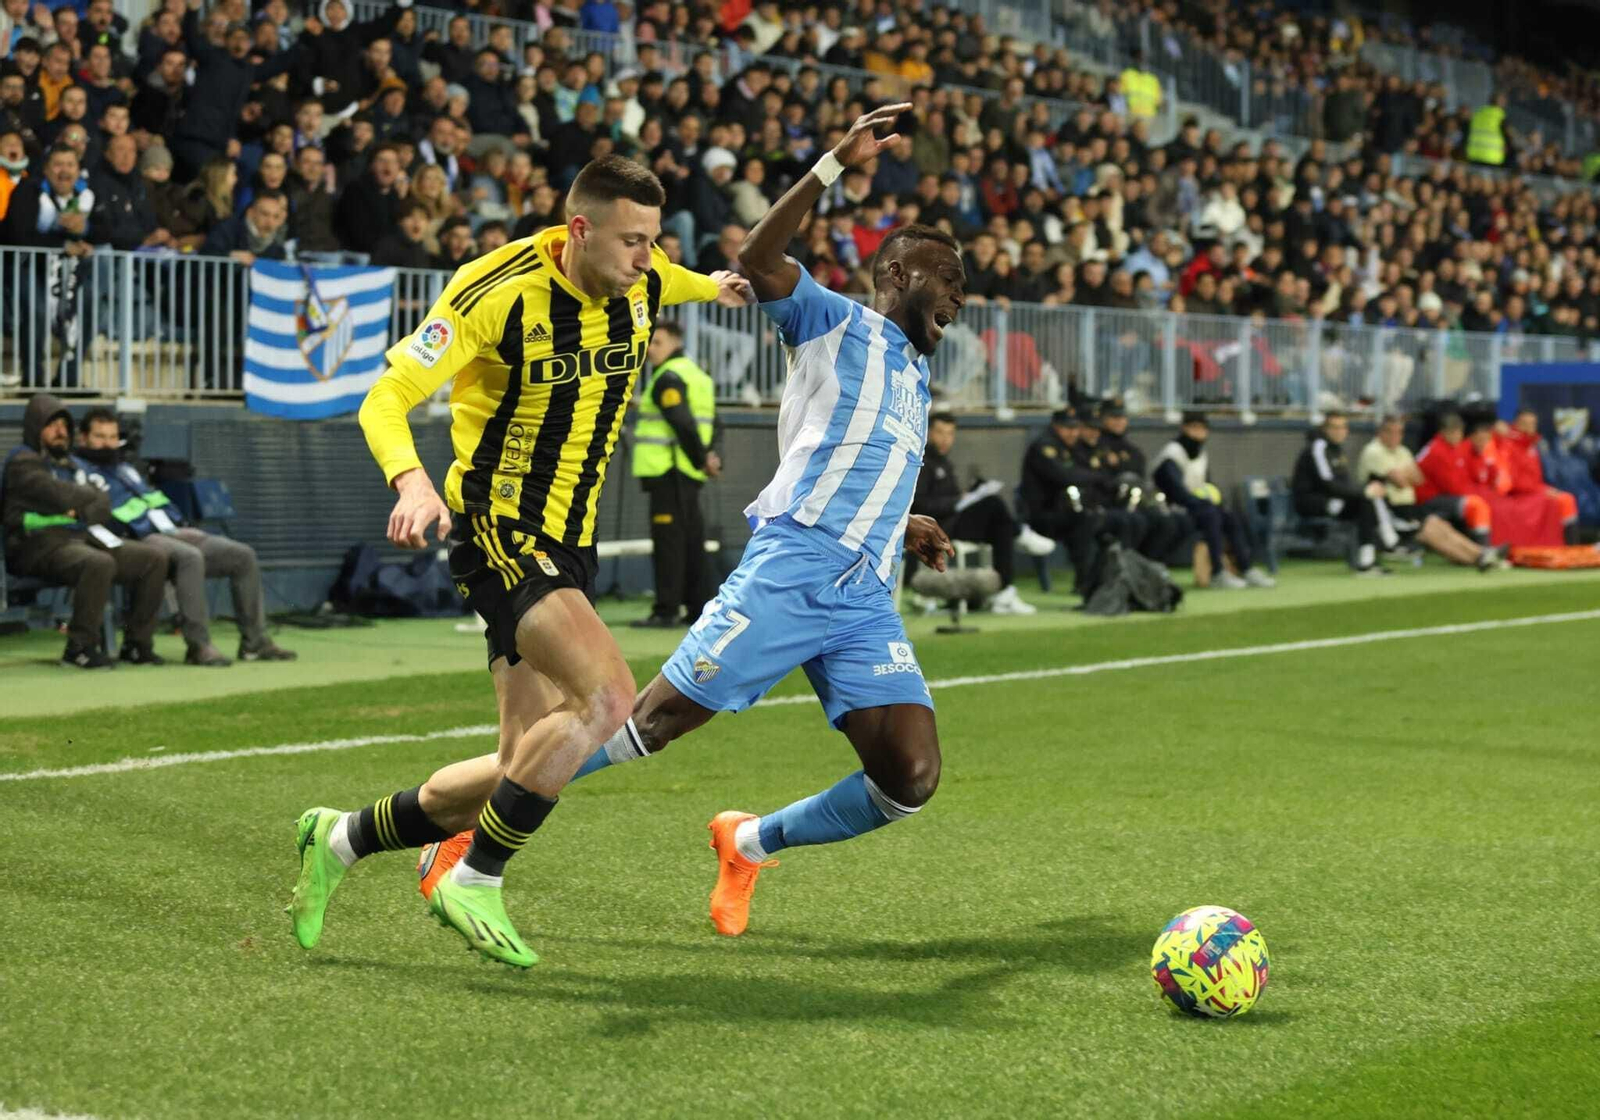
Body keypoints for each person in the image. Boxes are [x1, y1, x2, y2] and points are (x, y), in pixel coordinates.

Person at [409, 104, 961, 947]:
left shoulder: (918, 380)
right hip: (792, 570)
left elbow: (853, 460)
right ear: (894, 272)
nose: (958, 291)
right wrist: (831, 165)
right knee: (642, 725)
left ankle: (746, 842)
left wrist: (906, 520)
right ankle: (467, 825)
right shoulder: (832, 318)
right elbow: (756, 258)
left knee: (909, 780)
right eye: (944, 272)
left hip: (863, 591)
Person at [287, 155, 752, 968]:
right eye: (634, 241)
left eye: (656, 242)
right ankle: (478, 874)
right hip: (501, 526)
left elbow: (679, 280)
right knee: (608, 700)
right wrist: (413, 483)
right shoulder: (491, 291)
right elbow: (384, 398)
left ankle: (343, 837)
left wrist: (718, 287)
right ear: (579, 230)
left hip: (572, 541)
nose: (650, 258)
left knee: (521, 760)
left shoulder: (643, 279)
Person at [74, 408, 296, 665]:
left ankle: (255, 643)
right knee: (191, 558)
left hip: (172, 530)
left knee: (242, 555)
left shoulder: (126, 469)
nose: (107, 444)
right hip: (139, 538)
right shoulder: (80, 470)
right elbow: (97, 512)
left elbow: (156, 500)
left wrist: (179, 523)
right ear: (83, 438)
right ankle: (199, 646)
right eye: (100, 437)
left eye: (112, 437)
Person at [2, 395, 166, 668]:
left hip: (80, 538)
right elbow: (55, 493)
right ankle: (80, 648)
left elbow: (103, 504)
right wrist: (82, 500)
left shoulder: (71, 464)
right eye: (51, 425)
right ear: (35, 427)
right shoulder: (22, 461)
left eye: (64, 426)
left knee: (153, 559)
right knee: (98, 563)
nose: (60, 432)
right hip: (36, 546)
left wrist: (78, 506)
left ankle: (137, 645)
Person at [912, 410, 1053, 614]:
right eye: (940, 432)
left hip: (952, 521)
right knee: (994, 506)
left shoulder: (944, 462)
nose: (945, 439)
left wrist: (968, 496)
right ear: (928, 432)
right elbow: (919, 505)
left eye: (950, 433)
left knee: (999, 525)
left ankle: (1003, 592)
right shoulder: (922, 462)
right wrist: (956, 501)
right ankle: (1019, 536)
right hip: (937, 528)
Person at [629, 317, 720, 629]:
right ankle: (698, 608)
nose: (651, 349)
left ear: (675, 343)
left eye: (657, 342)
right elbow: (714, 422)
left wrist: (698, 459)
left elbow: (681, 422)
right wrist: (709, 457)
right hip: (687, 473)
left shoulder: (668, 377)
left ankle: (666, 610)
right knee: (692, 542)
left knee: (669, 543)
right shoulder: (698, 375)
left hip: (670, 469)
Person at [1358, 414, 1507, 571]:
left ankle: (1481, 554)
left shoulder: (1402, 451)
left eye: (1399, 432)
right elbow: (1401, 482)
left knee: (1441, 527)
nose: (1396, 436)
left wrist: (1403, 475)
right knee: (1432, 532)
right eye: (1390, 432)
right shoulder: (1374, 451)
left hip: (1408, 507)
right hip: (1391, 510)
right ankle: (1480, 557)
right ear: (1380, 433)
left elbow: (1418, 478)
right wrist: (1404, 475)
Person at [1152, 412, 1274, 589]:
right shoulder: (1172, 454)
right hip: (1172, 507)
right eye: (1194, 428)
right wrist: (1201, 503)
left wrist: (1213, 502)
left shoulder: (1201, 453)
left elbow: (1206, 484)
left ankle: (1246, 568)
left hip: (1196, 506)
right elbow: (1175, 491)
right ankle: (1217, 572)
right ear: (1184, 428)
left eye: (1202, 429)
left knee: (1230, 515)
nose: (1198, 433)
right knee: (1211, 515)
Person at [1292, 411, 1398, 575]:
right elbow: (1327, 484)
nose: (1339, 431)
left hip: (1333, 500)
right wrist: (1364, 490)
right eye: (1334, 427)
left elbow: (1344, 484)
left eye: (1343, 427)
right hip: (1313, 502)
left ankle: (1369, 560)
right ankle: (1387, 542)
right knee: (1365, 497)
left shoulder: (1337, 450)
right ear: (1325, 429)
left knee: (1366, 500)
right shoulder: (1318, 448)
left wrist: (1365, 491)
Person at [1019, 409, 1106, 596]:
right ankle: (1084, 582)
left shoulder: (1070, 447)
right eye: (1067, 428)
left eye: (1075, 428)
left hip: (1066, 510)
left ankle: (1100, 578)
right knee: (1084, 521)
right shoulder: (1043, 447)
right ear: (1056, 426)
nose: (1073, 433)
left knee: (1102, 519)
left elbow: (1085, 472)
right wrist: (1098, 477)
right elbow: (1065, 476)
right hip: (1043, 514)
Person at [1496, 409, 1580, 545]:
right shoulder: (1508, 445)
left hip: (1534, 492)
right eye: (1525, 423)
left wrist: (1542, 489)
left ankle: (1570, 549)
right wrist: (1541, 490)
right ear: (1516, 424)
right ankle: (1570, 548)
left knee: (1566, 499)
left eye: (1532, 424)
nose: (1529, 428)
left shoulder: (1531, 446)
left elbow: (1535, 479)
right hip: (1518, 495)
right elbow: (1513, 482)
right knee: (1565, 500)